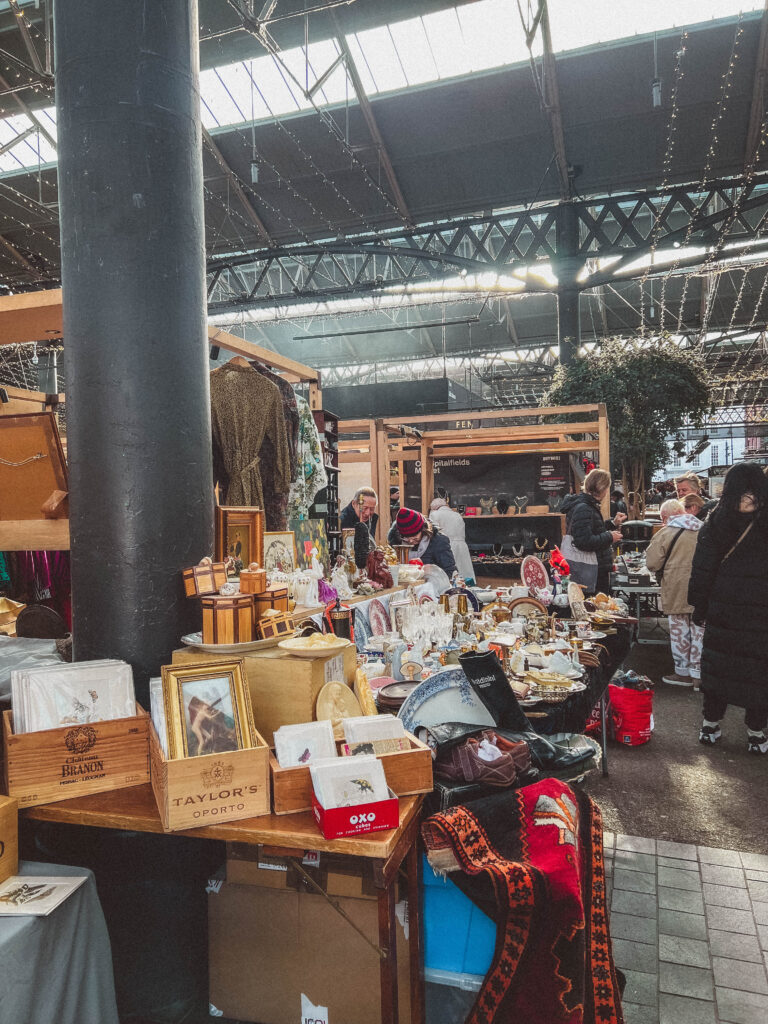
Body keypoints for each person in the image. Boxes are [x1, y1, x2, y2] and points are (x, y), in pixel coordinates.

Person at [688, 462, 768, 754]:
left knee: (718, 668)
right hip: (762, 612)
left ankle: (710, 726)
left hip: (722, 607)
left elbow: (703, 568)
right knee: (760, 672)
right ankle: (756, 733)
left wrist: (699, 605)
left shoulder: (717, 519)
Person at [645, 498, 703, 687]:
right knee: (699, 631)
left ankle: (683, 673)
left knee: (680, 632)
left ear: (665, 517)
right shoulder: (704, 529)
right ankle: (698, 675)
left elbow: (652, 563)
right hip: (702, 588)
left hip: (676, 588)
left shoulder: (665, 533)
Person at [561, 468, 624, 595]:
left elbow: (590, 530)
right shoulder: (584, 507)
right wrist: (609, 537)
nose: (607, 492)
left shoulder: (586, 505)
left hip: (593, 569)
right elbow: (583, 541)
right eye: (607, 488)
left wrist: (612, 524)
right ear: (602, 488)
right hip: (590, 571)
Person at [395, 507, 457, 576]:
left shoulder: (438, 542)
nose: (410, 541)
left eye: (415, 537)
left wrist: (432, 570)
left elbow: (451, 572)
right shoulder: (397, 544)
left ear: (423, 530)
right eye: (406, 538)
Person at [429, 497, 475, 583]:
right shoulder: (457, 515)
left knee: (449, 575)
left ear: (434, 507)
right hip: (462, 547)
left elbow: (433, 533)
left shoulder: (434, 514)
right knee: (464, 573)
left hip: (446, 546)